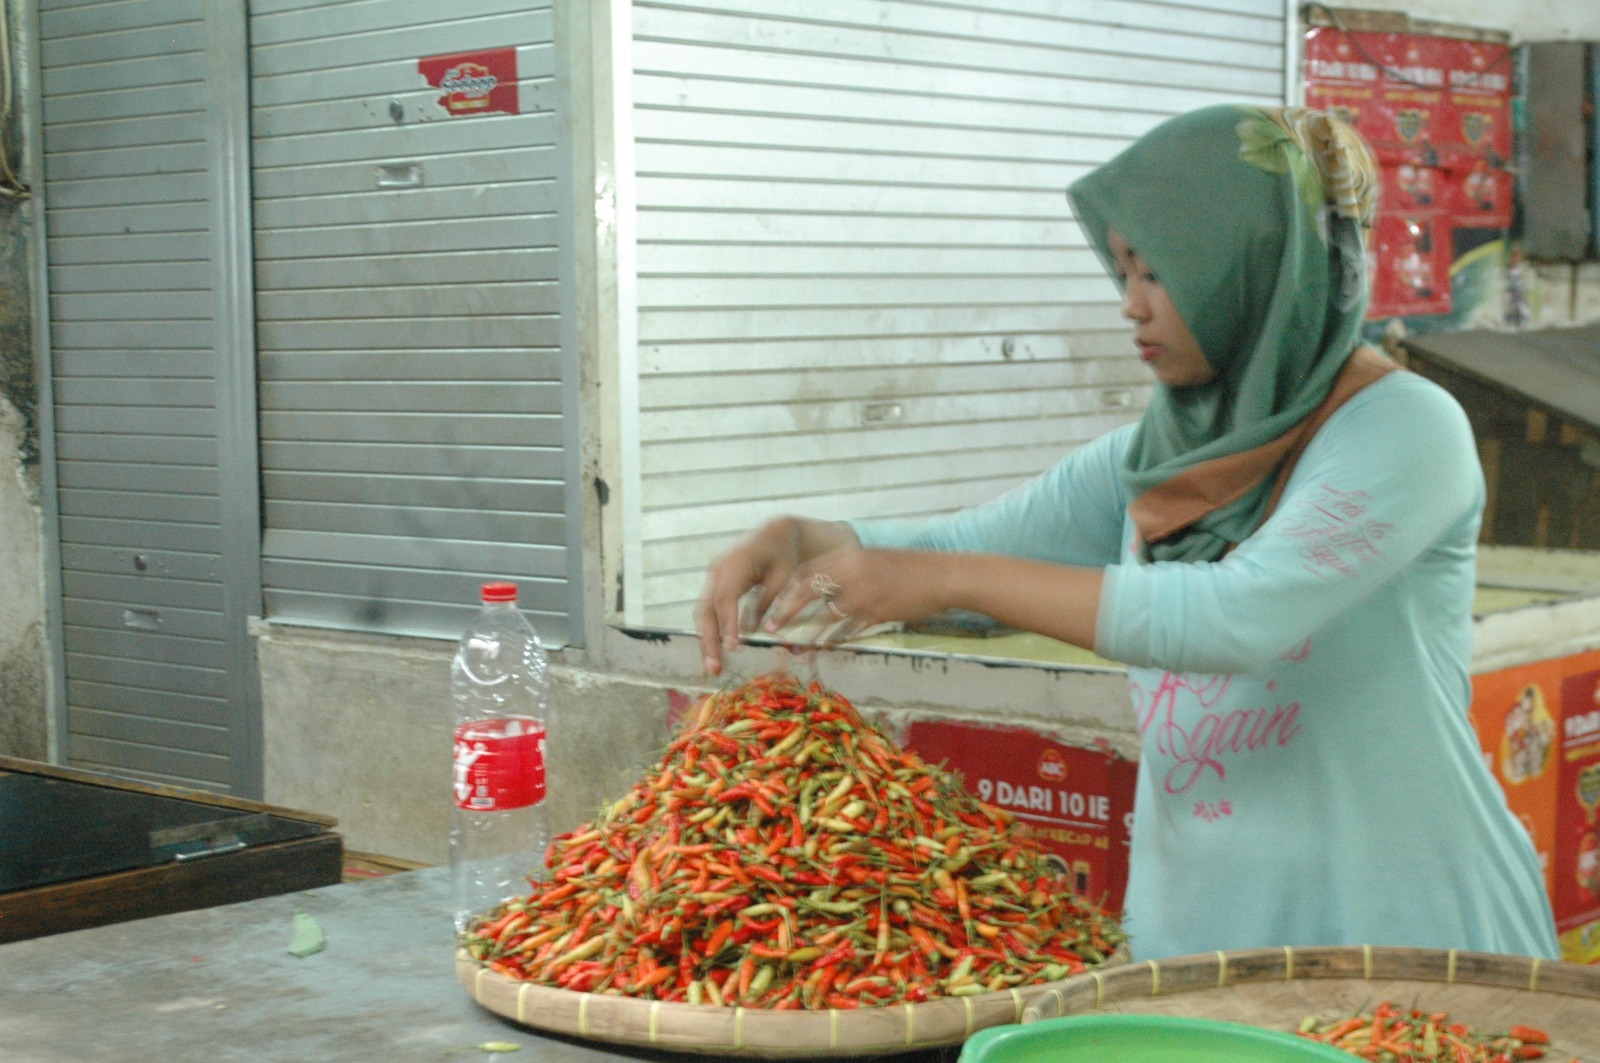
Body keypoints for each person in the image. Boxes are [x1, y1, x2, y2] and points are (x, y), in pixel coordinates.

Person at [695, 104, 1560, 962]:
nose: (1130, 306)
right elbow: (968, 544)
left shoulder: (1403, 429)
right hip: (1204, 945)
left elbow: (1237, 615)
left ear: (1247, 265)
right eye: (1123, 272)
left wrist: (946, 580)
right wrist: (803, 538)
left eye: (1159, 273)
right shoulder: (1161, 461)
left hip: (1404, 939)